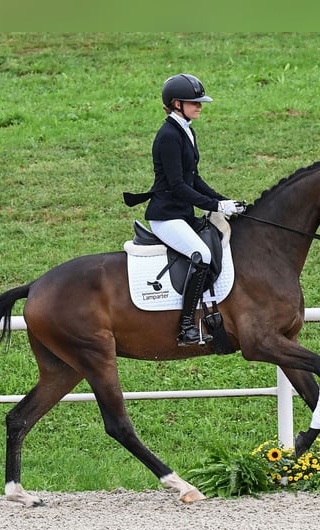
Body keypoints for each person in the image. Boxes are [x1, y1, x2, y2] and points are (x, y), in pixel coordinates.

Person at [143, 73, 244, 346]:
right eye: (194, 102)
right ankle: (186, 325)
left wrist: (225, 201)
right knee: (201, 255)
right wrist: (214, 206)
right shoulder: (168, 136)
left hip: (182, 214)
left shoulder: (186, 130)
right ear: (177, 104)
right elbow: (177, 186)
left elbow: (194, 179)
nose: (200, 106)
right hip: (166, 216)